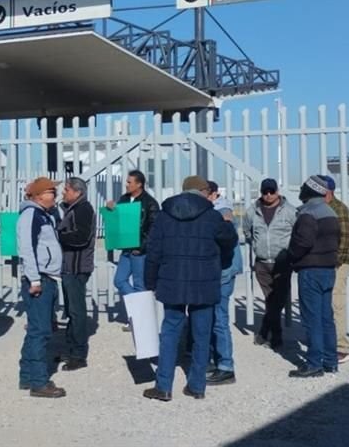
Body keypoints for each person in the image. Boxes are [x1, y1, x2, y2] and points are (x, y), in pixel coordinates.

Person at [143, 176, 237, 402]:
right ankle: (197, 385)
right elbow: (230, 241)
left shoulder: (165, 216)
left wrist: (151, 281)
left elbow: (153, 251)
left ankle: (163, 386)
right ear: (204, 191)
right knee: (202, 335)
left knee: (169, 332)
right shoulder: (212, 216)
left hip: (171, 281)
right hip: (204, 282)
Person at [17, 176, 66, 398]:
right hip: (40, 279)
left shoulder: (45, 215)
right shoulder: (30, 215)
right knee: (40, 331)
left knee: (37, 329)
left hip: (47, 277)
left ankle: (28, 375)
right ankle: (39, 381)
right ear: (38, 196)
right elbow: (26, 248)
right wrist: (34, 279)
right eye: (50, 192)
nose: (54, 195)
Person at [287, 175, 341, 378]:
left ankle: (314, 363)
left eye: (303, 188)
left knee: (312, 319)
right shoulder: (330, 212)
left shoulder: (308, 214)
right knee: (327, 318)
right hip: (328, 269)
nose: (300, 191)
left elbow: (303, 242)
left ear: (309, 191)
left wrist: (291, 256)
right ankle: (330, 361)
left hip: (311, 270)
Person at [243, 178, 297, 350]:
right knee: (270, 298)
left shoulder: (289, 211)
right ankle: (272, 333)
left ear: (277, 191)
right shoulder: (252, 211)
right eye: (265, 192)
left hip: (282, 262)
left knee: (277, 299)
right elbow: (247, 231)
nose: (268, 195)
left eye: (271, 191)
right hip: (262, 263)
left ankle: (270, 331)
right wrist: (257, 246)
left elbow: (298, 233)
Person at [107, 170, 160, 331]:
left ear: (139, 184)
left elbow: (153, 228)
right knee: (119, 280)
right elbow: (120, 222)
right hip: (127, 249)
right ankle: (139, 313)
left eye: (130, 182)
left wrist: (142, 247)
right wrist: (112, 210)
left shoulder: (150, 203)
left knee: (140, 284)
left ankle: (139, 321)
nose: (127, 184)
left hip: (140, 251)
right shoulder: (123, 199)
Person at [57, 177, 96, 371]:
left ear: (77, 192)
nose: (63, 193)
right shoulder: (71, 209)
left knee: (76, 311)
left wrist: (58, 236)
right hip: (69, 266)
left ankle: (78, 354)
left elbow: (81, 238)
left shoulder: (84, 210)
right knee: (71, 310)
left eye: (67, 190)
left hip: (77, 266)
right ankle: (70, 348)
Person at [206, 181, 243, 386]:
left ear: (213, 195)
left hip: (223, 270)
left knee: (219, 317)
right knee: (212, 316)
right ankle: (214, 360)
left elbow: (227, 237)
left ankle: (226, 366)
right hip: (220, 270)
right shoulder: (218, 210)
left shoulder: (223, 211)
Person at [319, 175, 349, 364]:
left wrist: (334, 262)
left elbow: (346, 240)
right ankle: (327, 342)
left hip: (337, 264)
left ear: (328, 192)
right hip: (323, 263)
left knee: (336, 302)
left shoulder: (340, 210)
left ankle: (342, 347)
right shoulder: (320, 208)